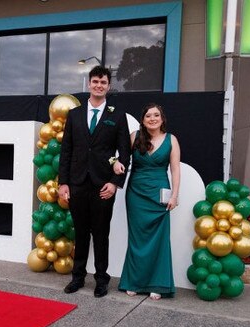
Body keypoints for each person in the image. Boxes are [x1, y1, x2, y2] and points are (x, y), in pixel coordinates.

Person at [58, 65, 131, 298]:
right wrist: (63, 183)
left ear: (109, 86)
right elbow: (66, 151)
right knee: (80, 233)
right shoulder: (75, 115)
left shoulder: (117, 116)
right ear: (89, 84)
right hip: (77, 184)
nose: (99, 85)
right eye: (95, 81)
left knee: (100, 234)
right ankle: (77, 278)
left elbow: (124, 153)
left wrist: (115, 182)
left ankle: (101, 279)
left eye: (103, 82)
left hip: (103, 186)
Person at [113, 103, 180, 300]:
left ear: (162, 118)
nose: (152, 118)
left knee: (159, 239)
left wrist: (175, 195)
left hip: (160, 193)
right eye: (148, 115)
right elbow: (122, 158)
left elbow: (175, 169)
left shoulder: (172, 140)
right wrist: (117, 163)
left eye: (156, 115)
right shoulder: (134, 136)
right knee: (137, 239)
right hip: (136, 194)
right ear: (143, 120)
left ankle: (157, 284)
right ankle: (134, 282)